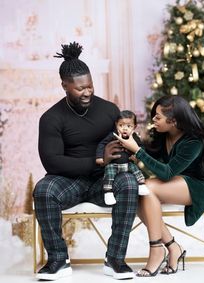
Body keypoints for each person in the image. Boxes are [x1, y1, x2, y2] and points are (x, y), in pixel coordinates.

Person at [33, 42, 139, 281]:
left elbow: (127, 142)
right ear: (65, 86)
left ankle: (115, 259)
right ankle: (58, 260)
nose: (87, 92)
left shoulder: (110, 110)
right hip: (71, 181)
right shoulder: (51, 118)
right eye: (80, 88)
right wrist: (97, 161)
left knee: (130, 183)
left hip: (106, 182)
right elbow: (52, 164)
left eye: (90, 86)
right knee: (43, 189)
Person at [114, 95, 204, 277]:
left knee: (149, 187)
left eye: (158, 117)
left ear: (174, 121)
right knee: (140, 193)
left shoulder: (193, 141)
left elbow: (167, 172)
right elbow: (154, 158)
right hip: (178, 181)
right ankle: (172, 247)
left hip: (199, 185)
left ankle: (156, 250)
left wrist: (137, 151)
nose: (153, 119)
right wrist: (133, 146)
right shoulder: (164, 135)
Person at [96, 110, 149, 205]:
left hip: (128, 163)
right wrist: (100, 157)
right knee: (109, 174)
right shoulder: (113, 135)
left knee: (136, 170)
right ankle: (108, 193)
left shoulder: (134, 136)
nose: (124, 129)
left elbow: (141, 147)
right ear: (116, 125)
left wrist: (137, 157)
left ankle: (141, 185)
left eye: (129, 126)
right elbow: (102, 144)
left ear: (134, 127)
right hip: (114, 164)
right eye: (121, 125)